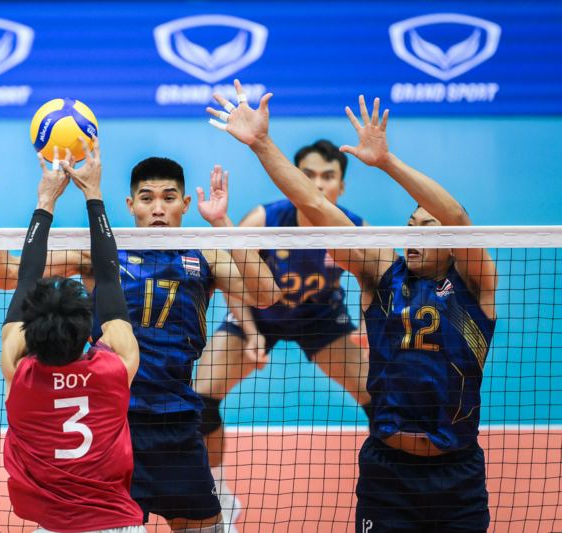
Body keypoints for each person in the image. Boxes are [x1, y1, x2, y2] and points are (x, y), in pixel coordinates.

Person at [208, 80, 497, 533]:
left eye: (428, 227)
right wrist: (262, 143)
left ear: (451, 242)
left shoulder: (475, 288)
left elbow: (458, 218)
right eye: (410, 225)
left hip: (457, 472)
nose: (414, 233)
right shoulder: (381, 273)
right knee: (204, 395)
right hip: (387, 472)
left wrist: (386, 162)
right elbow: (312, 203)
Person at [0, 144, 279, 531]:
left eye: (169, 198)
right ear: (130, 205)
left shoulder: (206, 256)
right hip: (111, 426)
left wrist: (222, 222)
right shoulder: (101, 254)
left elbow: (266, 294)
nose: (158, 208)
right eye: (147, 198)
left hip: (177, 422)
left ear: (186, 203)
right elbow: (6, 274)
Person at [191, 140, 372, 532]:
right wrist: (250, 331)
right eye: (307, 175)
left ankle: (388, 484)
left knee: (380, 398)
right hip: (259, 314)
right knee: (200, 399)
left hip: (321, 318)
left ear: (341, 185)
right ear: (291, 179)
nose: (317, 184)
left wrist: (366, 326)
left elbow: (374, 279)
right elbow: (230, 275)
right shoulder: (264, 220)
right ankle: (218, 493)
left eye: (328, 176)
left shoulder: (354, 228)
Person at [0, 140, 146, 533]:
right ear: (88, 329)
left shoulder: (19, 373)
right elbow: (109, 277)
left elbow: (27, 278)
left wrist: (45, 198)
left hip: (53, 526)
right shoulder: (116, 367)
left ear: (29, 331)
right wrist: (92, 193)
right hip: (118, 525)